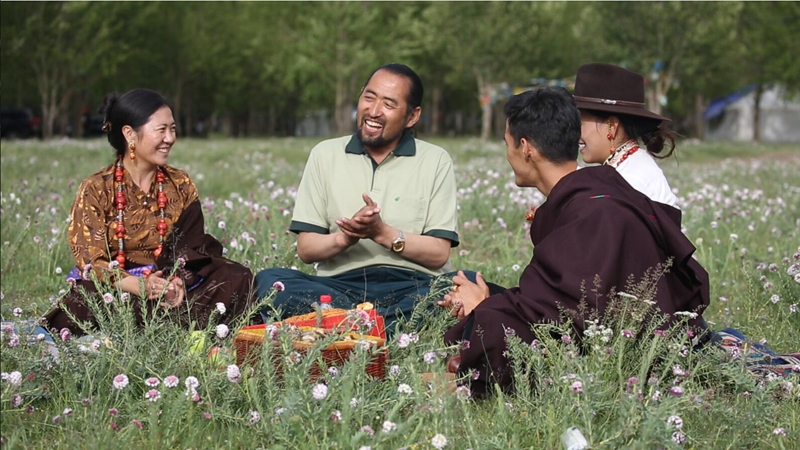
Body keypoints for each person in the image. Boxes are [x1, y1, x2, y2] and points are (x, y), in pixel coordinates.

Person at [440, 86, 710, 397]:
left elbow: (576, 321)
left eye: (507, 144)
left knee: (493, 323)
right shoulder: (592, 192)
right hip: (613, 327)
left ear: (526, 148)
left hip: (630, 352)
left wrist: (485, 310)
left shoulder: (594, 213)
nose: (508, 153)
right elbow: (558, 297)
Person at [254, 63, 495, 335]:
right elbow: (307, 250)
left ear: (412, 116)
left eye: (389, 104)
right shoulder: (325, 154)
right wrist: (345, 238)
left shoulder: (435, 160)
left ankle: (346, 326)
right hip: (339, 286)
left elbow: (439, 253)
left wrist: (382, 233)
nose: (374, 111)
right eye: (369, 97)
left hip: (414, 286)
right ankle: (388, 328)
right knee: (270, 281)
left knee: (471, 284)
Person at [43, 88, 255, 336]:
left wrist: (175, 281)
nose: (170, 138)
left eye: (173, 129)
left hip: (171, 284)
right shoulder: (96, 188)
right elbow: (91, 260)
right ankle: (172, 326)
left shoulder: (180, 183)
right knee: (88, 299)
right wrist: (140, 286)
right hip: (120, 287)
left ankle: (158, 325)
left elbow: (192, 246)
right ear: (129, 134)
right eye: (161, 130)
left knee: (236, 277)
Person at [573, 63, 679, 209]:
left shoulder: (630, 180)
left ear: (611, 125)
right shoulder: (628, 166)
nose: (576, 132)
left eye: (581, 122)